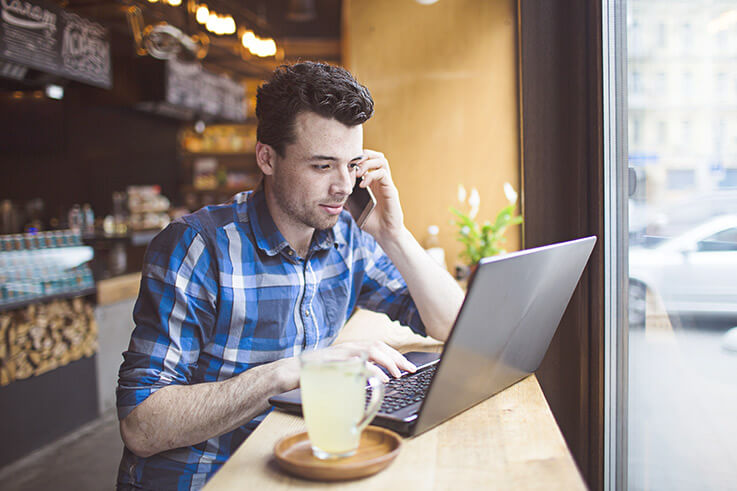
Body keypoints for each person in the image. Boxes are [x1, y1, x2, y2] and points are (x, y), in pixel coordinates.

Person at [116, 61, 465, 490]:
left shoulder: (346, 238)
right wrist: (292, 371)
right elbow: (141, 425)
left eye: (352, 164)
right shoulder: (197, 248)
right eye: (322, 166)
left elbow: (455, 325)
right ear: (267, 157)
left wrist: (394, 235)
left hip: (291, 467)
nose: (343, 187)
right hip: (206, 478)